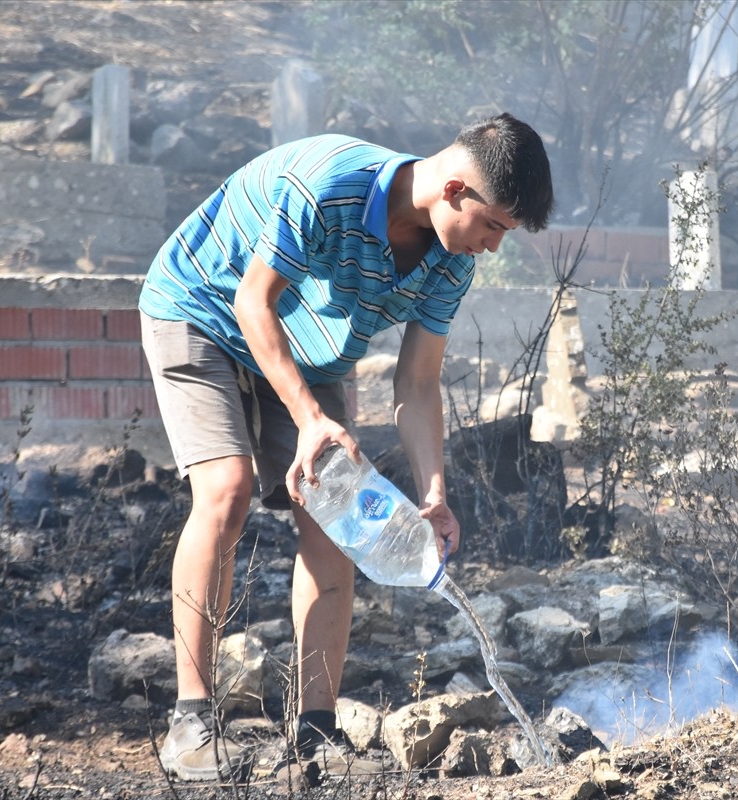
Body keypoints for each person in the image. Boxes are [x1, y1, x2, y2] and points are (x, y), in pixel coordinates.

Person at [138, 113, 553, 783]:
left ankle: (316, 733)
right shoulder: (329, 187)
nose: (493, 247)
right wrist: (307, 417)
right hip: (203, 309)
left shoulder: (450, 260)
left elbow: (417, 383)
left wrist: (433, 495)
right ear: (454, 190)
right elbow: (253, 303)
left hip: (305, 345)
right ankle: (190, 723)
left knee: (338, 508)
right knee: (227, 489)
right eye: (495, 227)